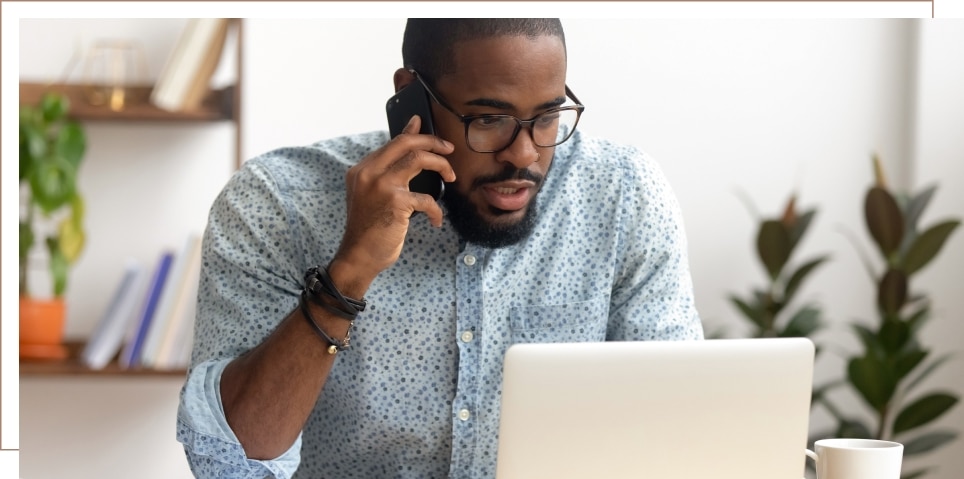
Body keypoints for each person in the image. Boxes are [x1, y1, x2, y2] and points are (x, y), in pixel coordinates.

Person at [177, 18, 703, 479]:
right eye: (489, 120)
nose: (524, 156)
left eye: (547, 117)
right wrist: (350, 270)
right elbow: (230, 462)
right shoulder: (278, 202)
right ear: (412, 97)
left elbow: (682, 426)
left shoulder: (623, 196)